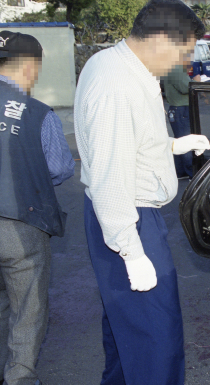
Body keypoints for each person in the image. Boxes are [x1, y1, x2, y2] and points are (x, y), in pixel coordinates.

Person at [73, 1, 209, 384]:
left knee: (125, 329)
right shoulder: (117, 83)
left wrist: (171, 145)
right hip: (126, 217)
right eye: (183, 53)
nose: (182, 63)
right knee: (156, 337)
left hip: (125, 213)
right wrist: (131, 250)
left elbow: (127, 143)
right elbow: (109, 174)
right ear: (162, 39)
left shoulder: (118, 66)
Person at [0, 31, 75, 385]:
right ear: (30, 66)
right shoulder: (37, 113)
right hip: (21, 224)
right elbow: (59, 167)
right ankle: (19, 378)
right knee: (28, 306)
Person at [165, 65, 202, 179]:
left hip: (176, 109)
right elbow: (185, 87)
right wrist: (195, 81)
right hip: (181, 109)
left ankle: (181, 171)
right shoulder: (176, 69)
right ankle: (191, 172)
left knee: (179, 139)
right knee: (186, 140)